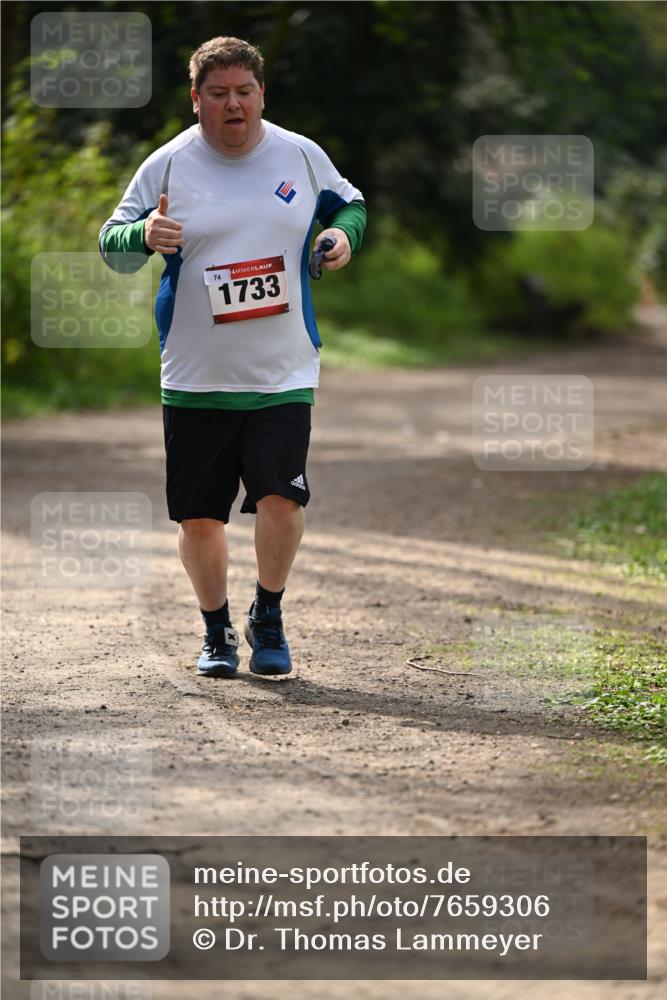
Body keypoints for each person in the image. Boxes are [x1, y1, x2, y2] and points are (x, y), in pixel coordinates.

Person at [99, 36, 366, 679]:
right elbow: (113, 243)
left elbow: (350, 205)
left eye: (244, 92)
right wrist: (143, 234)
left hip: (284, 368)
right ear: (196, 101)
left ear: (261, 94)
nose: (233, 105)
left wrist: (338, 238)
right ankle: (216, 630)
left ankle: (267, 613)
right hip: (195, 373)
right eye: (218, 94)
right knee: (199, 516)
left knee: (282, 498)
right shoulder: (166, 166)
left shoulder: (299, 156)